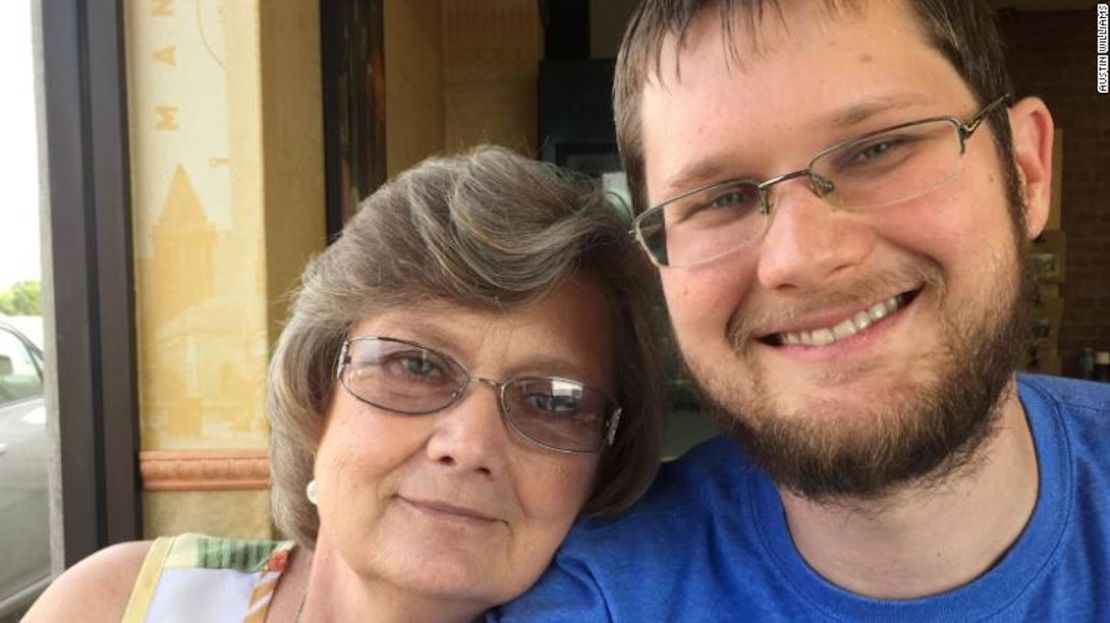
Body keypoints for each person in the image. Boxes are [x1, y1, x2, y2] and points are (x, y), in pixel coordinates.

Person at [493, 1, 1110, 621]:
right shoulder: (599, 599)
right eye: (718, 199)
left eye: (878, 149)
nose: (800, 258)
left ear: (1027, 172)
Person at [23, 145, 664, 623]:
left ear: (603, 468)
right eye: (414, 365)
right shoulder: (119, 603)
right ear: (315, 395)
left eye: (552, 400)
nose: (469, 445)